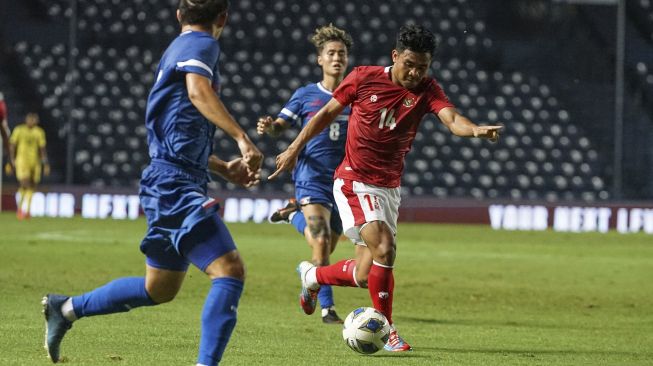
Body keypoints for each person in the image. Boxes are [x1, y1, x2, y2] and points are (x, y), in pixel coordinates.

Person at [41, 1, 263, 365]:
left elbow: (176, 130)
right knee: (229, 270)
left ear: (178, 15)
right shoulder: (202, 43)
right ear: (222, 18)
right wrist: (242, 138)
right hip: (175, 183)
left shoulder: (174, 50)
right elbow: (197, 91)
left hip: (169, 177)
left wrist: (223, 168)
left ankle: (65, 309)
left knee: (158, 288)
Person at [270, 25, 502, 352]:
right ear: (395, 57)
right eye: (410, 64)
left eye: (422, 67)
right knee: (385, 247)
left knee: (366, 273)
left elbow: (451, 119)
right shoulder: (363, 78)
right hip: (354, 179)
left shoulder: (427, 88)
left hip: (388, 188)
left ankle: (313, 278)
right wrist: (294, 147)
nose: (415, 72)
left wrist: (474, 129)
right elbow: (325, 114)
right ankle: (388, 331)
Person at [256, 24, 353, 324]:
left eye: (342, 54)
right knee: (322, 242)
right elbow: (281, 126)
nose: (337, 58)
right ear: (320, 60)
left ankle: (291, 217)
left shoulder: (357, 94)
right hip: (311, 175)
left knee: (324, 248)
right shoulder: (306, 95)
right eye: (331, 53)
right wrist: (269, 127)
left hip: (343, 181)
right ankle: (328, 309)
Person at [7, 112, 49, 219]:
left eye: (34, 119)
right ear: (26, 120)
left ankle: (28, 211)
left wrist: (45, 164)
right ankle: (20, 209)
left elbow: (42, 149)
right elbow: (12, 145)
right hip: (22, 161)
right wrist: (11, 160)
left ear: (37, 121)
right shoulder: (19, 130)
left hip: (35, 163)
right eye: (30, 119)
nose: (32, 121)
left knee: (33, 186)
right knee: (24, 184)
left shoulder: (39, 132)